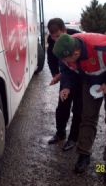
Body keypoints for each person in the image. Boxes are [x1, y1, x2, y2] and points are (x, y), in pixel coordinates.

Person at [53, 33, 106, 184]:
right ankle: (84, 154)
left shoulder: (105, 48)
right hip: (89, 79)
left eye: (66, 59)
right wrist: (67, 87)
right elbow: (67, 70)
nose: (63, 62)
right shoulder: (65, 52)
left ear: (76, 53)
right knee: (87, 117)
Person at [46, 18, 82, 151]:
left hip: (80, 79)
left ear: (65, 30)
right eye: (53, 37)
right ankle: (60, 133)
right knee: (62, 107)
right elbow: (51, 60)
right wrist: (56, 75)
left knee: (78, 110)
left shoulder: (76, 38)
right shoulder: (51, 44)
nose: (56, 40)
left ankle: (73, 138)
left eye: (59, 36)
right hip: (66, 77)